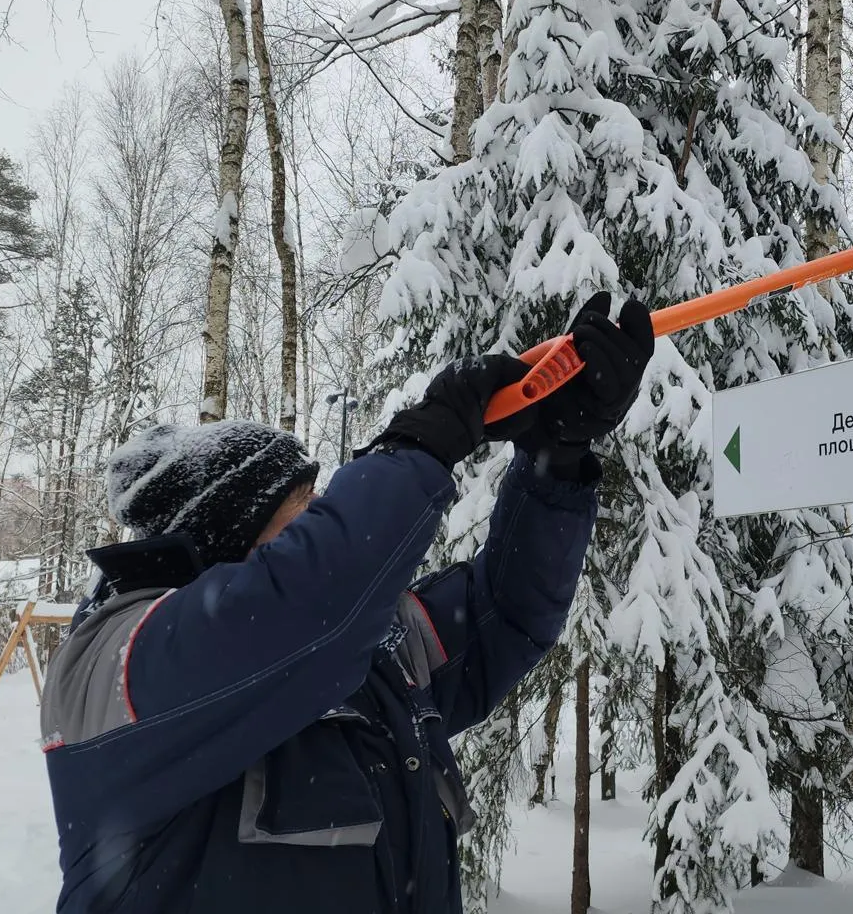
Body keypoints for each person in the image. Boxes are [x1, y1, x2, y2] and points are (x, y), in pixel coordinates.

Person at [38, 294, 654, 914]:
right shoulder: (111, 671)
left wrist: (555, 462)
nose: (324, 519)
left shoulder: (370, 653)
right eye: (304, 508)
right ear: (227, 539)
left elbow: (505, 613)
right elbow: (302, 607)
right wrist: (420, 446)